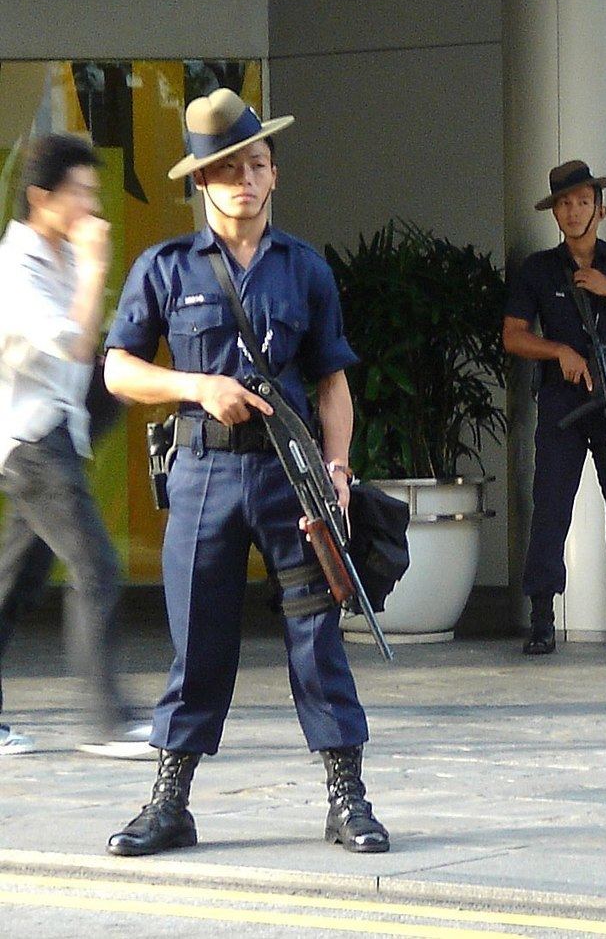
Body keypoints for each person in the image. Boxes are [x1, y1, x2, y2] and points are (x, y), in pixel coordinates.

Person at [103, 88, 389, 857]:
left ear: (274, 174)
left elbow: (332, 381)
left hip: (290, 476)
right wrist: (196, 387)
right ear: (202, 182)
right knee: (197, 641)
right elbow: (119, 370)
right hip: (202, 477)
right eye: (229, 170)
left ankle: (347, 798)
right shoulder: (164, 267)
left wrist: (337, 466)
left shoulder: (305, 270)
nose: (246, 181)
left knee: (316, 636)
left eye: (258, 165)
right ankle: (170, 803)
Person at [0, 133, 151, 757]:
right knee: (96, 567)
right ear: (42, 198)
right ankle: (106, 720)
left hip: (54, 433)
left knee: (13, 584)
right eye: (80, 194)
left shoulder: (57, 256)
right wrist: (94, 267)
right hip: (32, 441)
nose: (93, 207)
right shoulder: (18, 267)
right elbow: (72, 344)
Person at [503, 160, 606, 656]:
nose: (574, 211)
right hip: (561, 403)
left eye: (582, 201)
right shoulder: (538, 269)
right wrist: (559, 351)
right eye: (564, 203)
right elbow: (513, 336)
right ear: (554, 212)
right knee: (550, 507)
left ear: (601, 208)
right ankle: (541, 621)